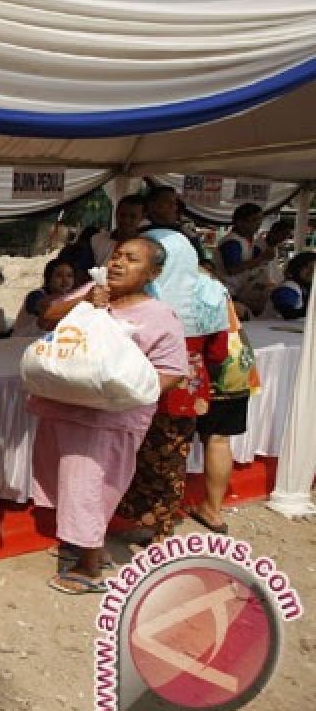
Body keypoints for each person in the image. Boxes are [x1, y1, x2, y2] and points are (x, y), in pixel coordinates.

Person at [28, 238, 187, 592]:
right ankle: (76, 541)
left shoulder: (160, 316)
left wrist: (129, 396)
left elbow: (172, 370)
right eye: (116, 256)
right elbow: (46, 318)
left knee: (90, 486)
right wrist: (85, 301)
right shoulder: (93, 291)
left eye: (131, 260)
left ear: (152, 273)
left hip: (109, 419)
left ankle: (90, 565)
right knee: (64, 478)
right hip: (65, 406)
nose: (118, 264)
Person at [116, 228, 229, 542]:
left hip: (137, 384)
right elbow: (219, 351)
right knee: (171, 460)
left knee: (138, 457)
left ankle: (148, 523)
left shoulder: (143, 290)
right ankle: (160, 529)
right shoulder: (211, 291)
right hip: (186, 390)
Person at [190, 297, 259, 535]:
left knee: (175, 438)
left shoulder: (178, 282)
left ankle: (160, 516)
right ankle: (213, 510)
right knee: (220, 440)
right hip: (237, 365)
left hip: (209, 367)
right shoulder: (216, 288)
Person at [141, 185, 210, 263]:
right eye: (168, 202)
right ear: (152, 204)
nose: (173, 206)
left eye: (174, 203)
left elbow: (202, 264)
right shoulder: (138, 231)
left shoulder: (186, 235)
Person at [11, 258, 77, 338]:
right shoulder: (36, 295)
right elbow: (45, 306)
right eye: (59, 276)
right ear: (49, 279)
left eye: (69, 276)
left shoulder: (71, 296)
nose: (65, 280)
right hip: (21, 342)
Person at [90, 194, 145, 267]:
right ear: (116, 213)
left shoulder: (145, 246)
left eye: (133, 216)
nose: (126, 220)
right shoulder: (97, 239)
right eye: (122, 215)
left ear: (142, 217)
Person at [269, 251, 314, 320]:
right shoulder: (288, 288)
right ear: (297, 267)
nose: (311, 271)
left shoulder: (304, 287)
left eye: (314, 268)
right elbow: (287, 314)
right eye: (307, 267)